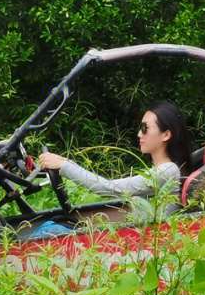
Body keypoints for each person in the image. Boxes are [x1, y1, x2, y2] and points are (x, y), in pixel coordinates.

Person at [25, 100, 192, 237]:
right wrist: (66, 162)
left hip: (139, 244)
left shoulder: (167, 171)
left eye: (145, 128)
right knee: (53, 225)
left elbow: (109, 188)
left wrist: (65, 166)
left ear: (166, 134)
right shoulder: (164, 170)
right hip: (131, 239)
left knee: (49, 229)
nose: (139, 135)